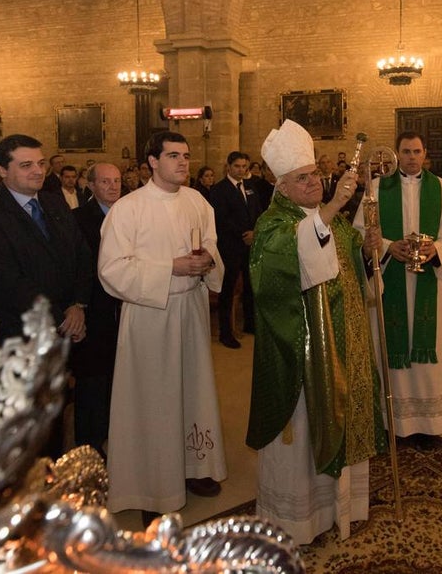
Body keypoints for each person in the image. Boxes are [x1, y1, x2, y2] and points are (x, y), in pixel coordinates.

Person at [247, 118, 385, 543]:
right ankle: (300, 519)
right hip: (305, 350)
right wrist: (330, 211)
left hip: (346, 342)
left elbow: (349, 270)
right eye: (301, 179)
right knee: (307, 427)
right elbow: (283, 266)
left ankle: (341, 507)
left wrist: (366, 249)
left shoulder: (336, 221)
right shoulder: (274, 223)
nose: (313, 183)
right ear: (282, 187)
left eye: (314, 175)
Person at [98, 131, 226, 524]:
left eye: (185, 156)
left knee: (193, 390)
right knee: (154, 400)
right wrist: (170, 267)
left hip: (191, 308)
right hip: (150, 314)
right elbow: (112, 270)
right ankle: (152, 487)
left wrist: (206, 261)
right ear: (151, 161)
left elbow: (211, 247)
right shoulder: (128, 208)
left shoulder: (197, 201)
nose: (183, 163)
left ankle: (194, 466)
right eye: (173, 156)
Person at [0, 134, 92, 457]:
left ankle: (56, 476)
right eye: (26, 165)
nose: (37, 171)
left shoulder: (53, 201)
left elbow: (81, 254)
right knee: (29, 424)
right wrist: (61, 316)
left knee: (61, 410)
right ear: (0, 169)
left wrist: (78, 304)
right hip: (23, 333)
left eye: (40, 163)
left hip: (69, 323)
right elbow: (7, 281)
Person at [354, 131, 442, 439]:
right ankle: (395, 423)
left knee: (429, 352)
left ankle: (429, 426)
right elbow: (361, 232)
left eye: (417, 151)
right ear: (397, 154)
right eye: (406, 151)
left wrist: (436, 250)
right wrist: (389, 247)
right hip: (391, 282)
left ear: (425, 153)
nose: (412, 157)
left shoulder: (441, 189)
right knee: (392, 351)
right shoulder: (377, 189)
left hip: (427, 282)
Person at [71, 162, 124, 456]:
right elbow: (76, 266)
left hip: (125, 307)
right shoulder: (78, 219)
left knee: (120, 378)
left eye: (116, 181)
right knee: (92, 381)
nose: (113, 186)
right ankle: (88, 447)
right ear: (90, 185)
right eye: (105, 182)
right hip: (93, 307)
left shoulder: (131, 213)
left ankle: (114, 435)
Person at [207, 151, 267, 348]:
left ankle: (250, 324)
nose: (241, 170)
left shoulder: (250, 186)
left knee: (251, 287)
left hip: (251, 244)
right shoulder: (219, 189)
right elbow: (221, 220)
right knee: (228, 290)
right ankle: (226, 333)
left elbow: (258, 211)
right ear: (229, 167)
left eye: (244, 167)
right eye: (237, 166)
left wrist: (255, 232)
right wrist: (245, 234)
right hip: (230, 246)